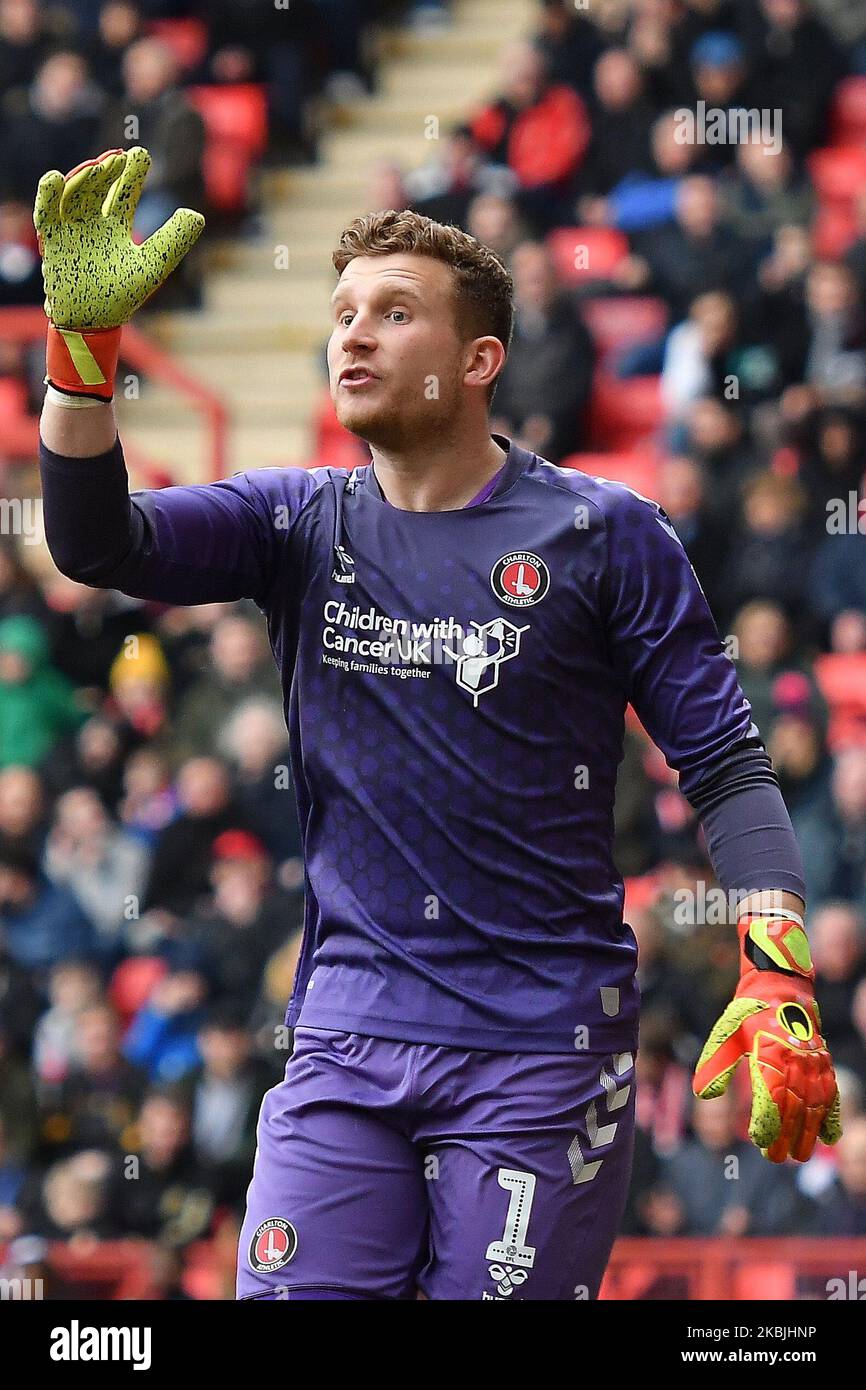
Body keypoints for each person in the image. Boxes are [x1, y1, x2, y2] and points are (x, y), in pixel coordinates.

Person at [37, 147, 840, 1301]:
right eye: (342, 313)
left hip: (541, 1052)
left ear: (479, 361)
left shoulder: (604, 536)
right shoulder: (294, 521)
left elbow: (721, 762)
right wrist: (81, 358)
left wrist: (773, 969)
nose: (352, 336)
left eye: (392, 312)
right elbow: (93, 541)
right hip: (346, 1038)